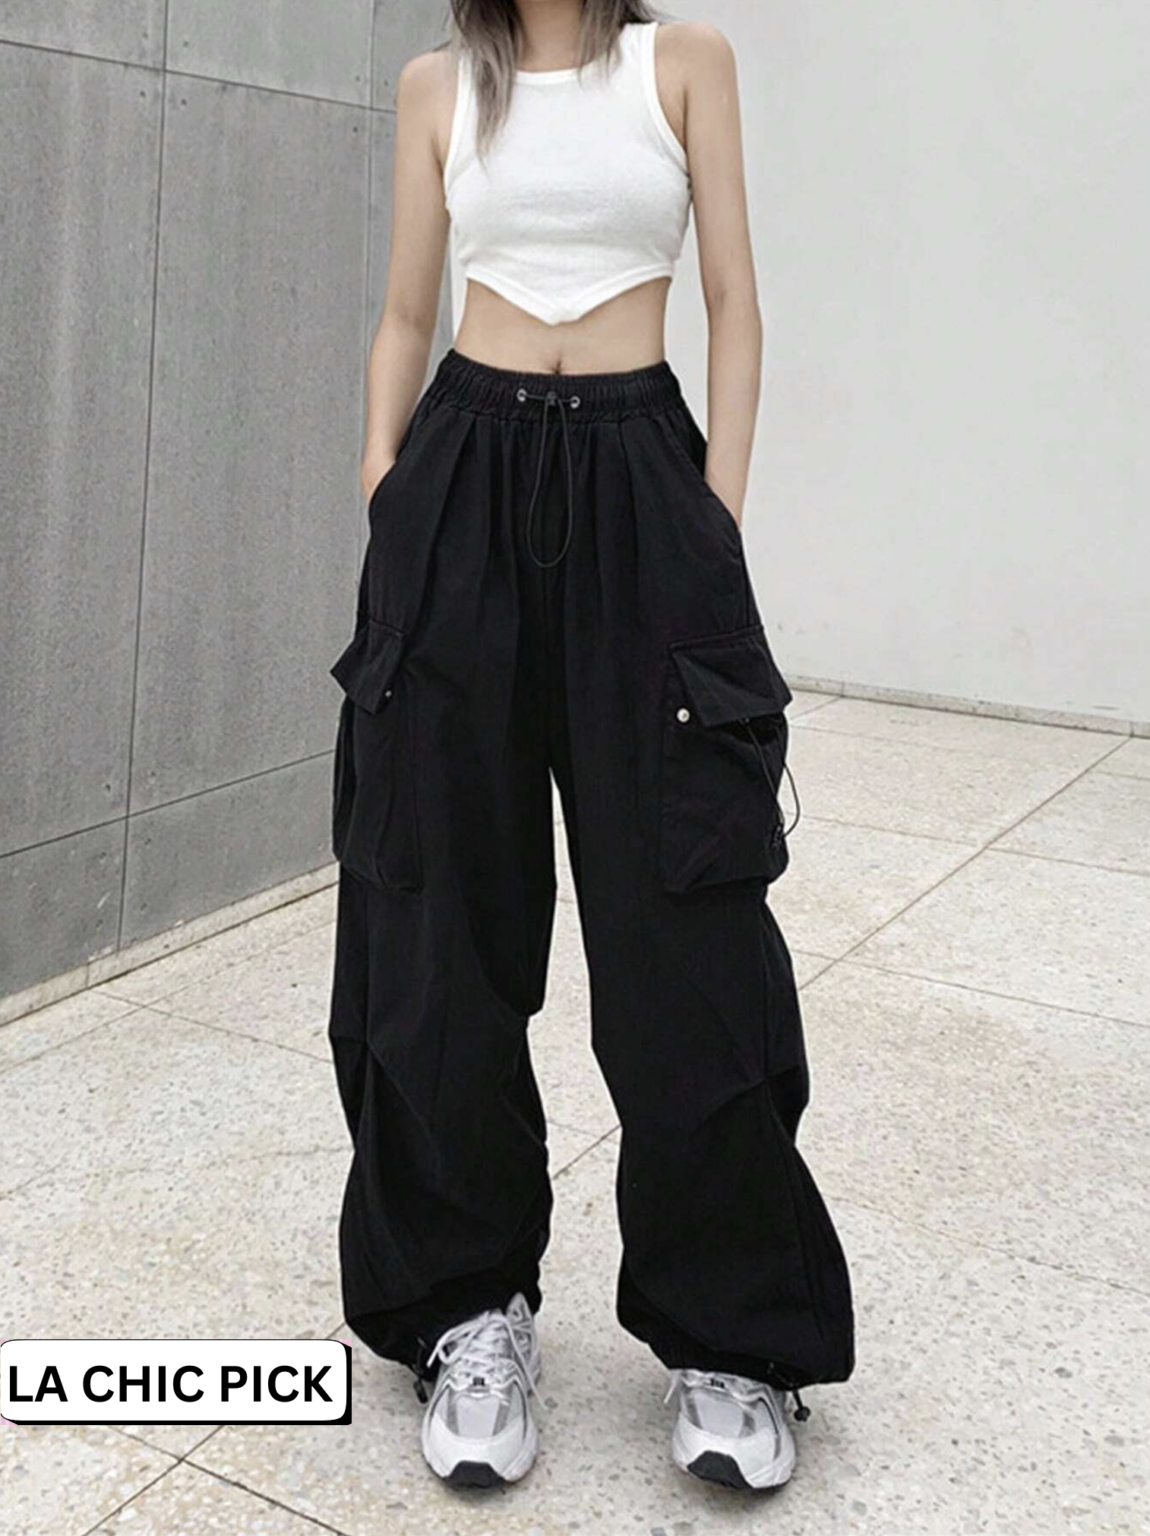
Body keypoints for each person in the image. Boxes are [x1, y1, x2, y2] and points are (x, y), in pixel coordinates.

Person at [326, 0, 854, 1493]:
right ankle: (466, 1313)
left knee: (685, 931)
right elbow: (404, 312)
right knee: (436, 925)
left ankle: (732, 1340)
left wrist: (713, 516)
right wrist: (385, 484)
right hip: (458, 483)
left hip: (641, 480)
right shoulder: (438, 85)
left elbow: (735, 299)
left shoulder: (679, 66)